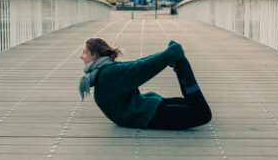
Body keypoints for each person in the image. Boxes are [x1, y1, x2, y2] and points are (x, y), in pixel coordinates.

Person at [78, 37, 211, 130]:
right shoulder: (106, 72)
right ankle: (180, 63)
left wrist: (169, 55)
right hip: (146, 112)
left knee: (200, 112)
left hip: (145, 113)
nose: (81, 56)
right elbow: (137, 67)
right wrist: (168, 56)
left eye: (84, 52)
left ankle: (180, 62)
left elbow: (138, 67)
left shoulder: (107, 72)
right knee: (202, 113)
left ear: (95, 55)